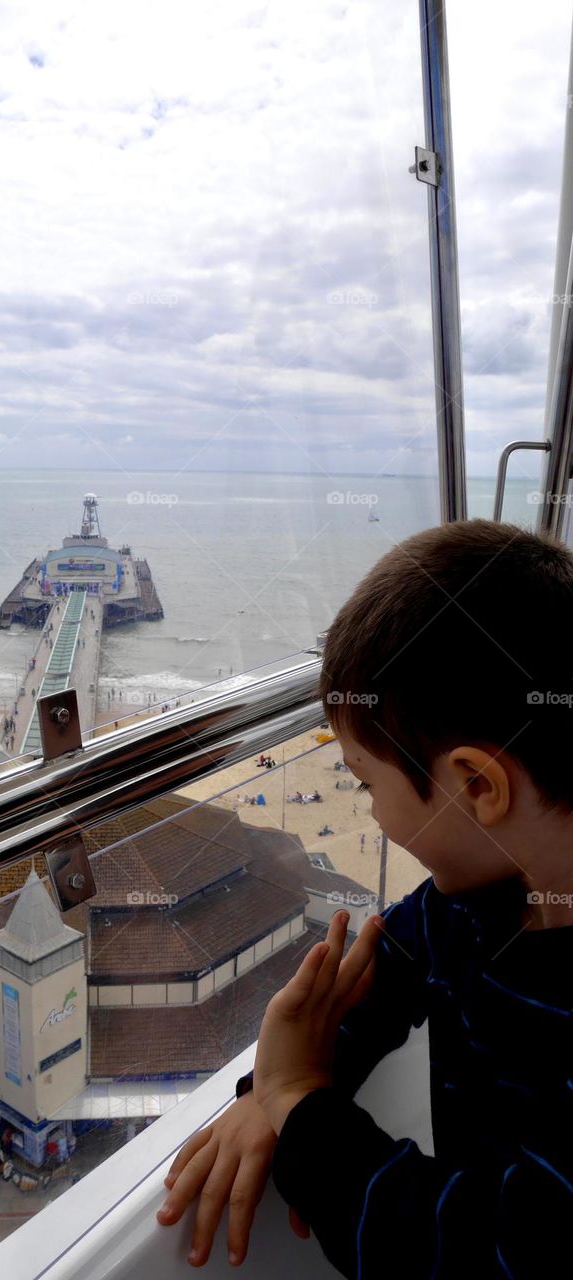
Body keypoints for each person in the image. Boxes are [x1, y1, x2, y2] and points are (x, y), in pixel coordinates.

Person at [156, 519, 573, 1275]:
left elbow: (488, 1253)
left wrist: (301, 1107)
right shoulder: (475, 900)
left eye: (366, 782)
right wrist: (272, 1092)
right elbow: (381, 975)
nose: (371, 814)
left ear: (477, 785)